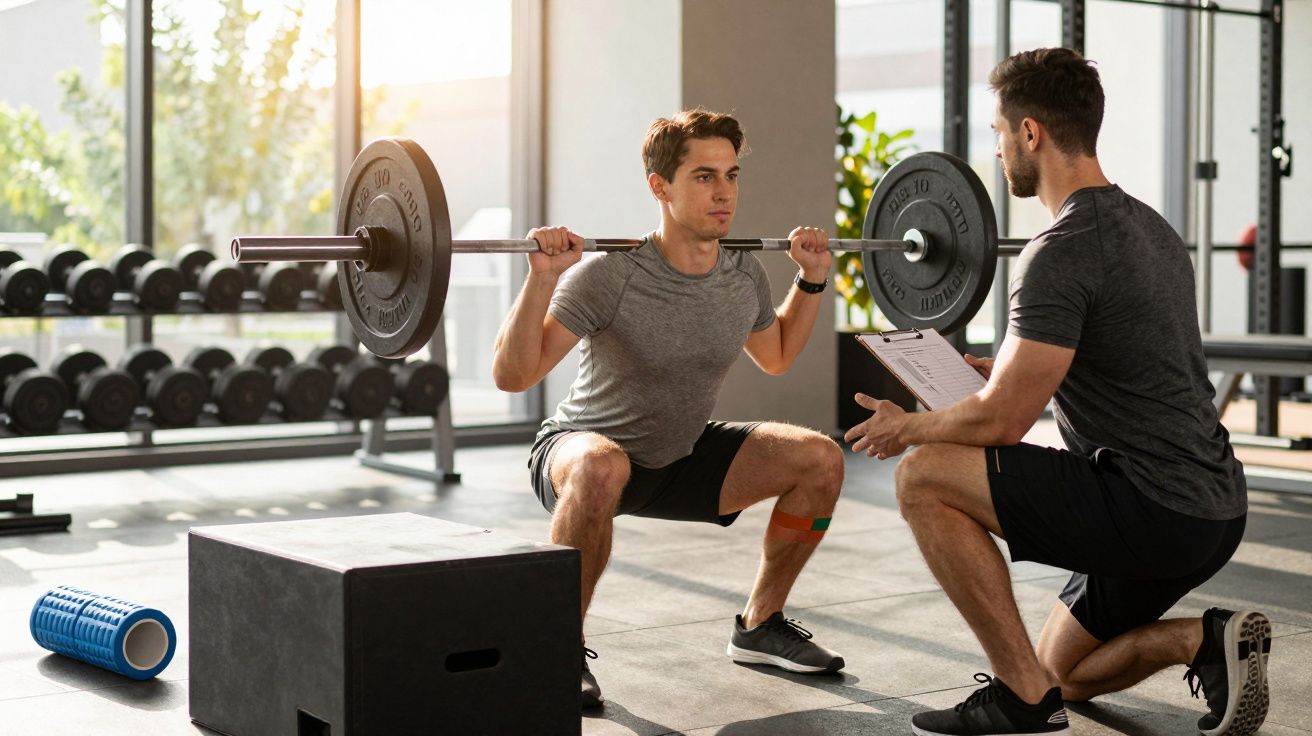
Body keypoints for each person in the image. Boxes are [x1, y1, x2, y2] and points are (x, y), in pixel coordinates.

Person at [844, 48, 1269, 736]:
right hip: (1215, 508)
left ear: (1031, 133)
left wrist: (906, 428)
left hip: (1152, 504)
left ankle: (1019, 701)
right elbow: (1126, 359)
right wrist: (1007, 366)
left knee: (923, 476)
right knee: (1063, 670)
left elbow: (1005, 424)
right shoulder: (1151, 230)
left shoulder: (1060, 248)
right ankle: (1204, 641)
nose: (999, 145)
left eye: (999, 131)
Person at [493, 108, 846, 708]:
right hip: (581, 450)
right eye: (705, 177)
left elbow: (779, 354)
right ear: (659, 187)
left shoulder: (742, 276)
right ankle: (556, 645)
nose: (724, 193)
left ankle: (760, 625)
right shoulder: (609, 276)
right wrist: (543, 278)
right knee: (603, 464)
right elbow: (513, 375)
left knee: (820, 460)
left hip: (678, 456)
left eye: (731, 176)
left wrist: (811, 279)